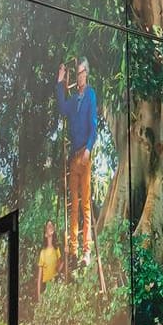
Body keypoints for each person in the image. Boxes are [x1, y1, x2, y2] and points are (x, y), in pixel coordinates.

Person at [57, 58, 99, 263]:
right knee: (73, 205)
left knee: (85, 205)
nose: (80, 76)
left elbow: (94, 124)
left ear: (86, 74)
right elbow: (62, 108)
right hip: (73, 157)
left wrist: (89, 149)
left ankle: (86, 251)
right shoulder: (73, 99)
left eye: (82, 73)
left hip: (84, 154)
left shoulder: (90, 94)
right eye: (77, 74)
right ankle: (73, 250)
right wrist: (60, 81)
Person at [38, 220, 61, 296]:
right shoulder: (43, 252)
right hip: (46, 286)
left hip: (55, 283)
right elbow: (39, 278)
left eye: (51, 225)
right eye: (48, 226)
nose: (50, 227)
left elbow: (59, 268)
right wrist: (39, 298)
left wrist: (66, 255)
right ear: (45, 234)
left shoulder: (57, 249)